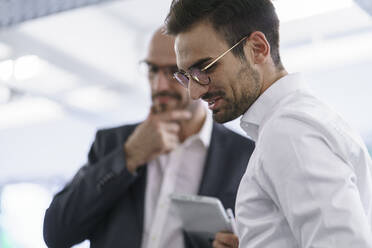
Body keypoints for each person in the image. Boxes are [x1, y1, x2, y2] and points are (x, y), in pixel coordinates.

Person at [165, 0, 372, 247]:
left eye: (204, 68)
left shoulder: (288, 132)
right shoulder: (289, 124)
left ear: (257, 48)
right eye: (185, 76)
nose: (194, 92)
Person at [43, 27, 254, 248]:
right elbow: (56, 233)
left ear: (202, 74)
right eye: (152, 70)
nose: (159, 85)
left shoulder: (244, 156)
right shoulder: (112, 143)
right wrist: (129, 156)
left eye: (174, 71)